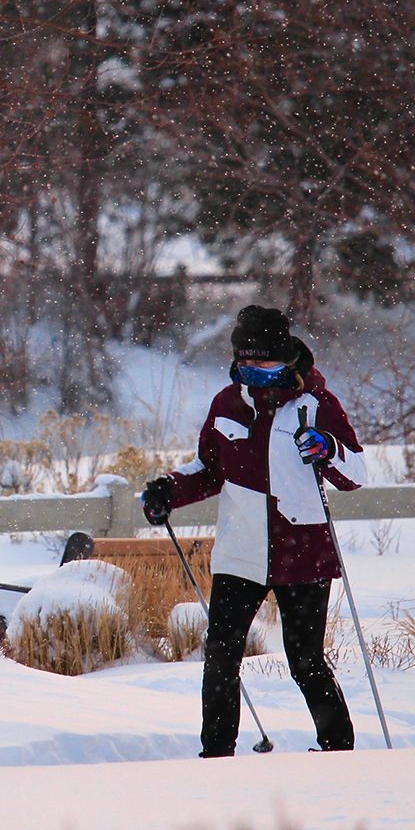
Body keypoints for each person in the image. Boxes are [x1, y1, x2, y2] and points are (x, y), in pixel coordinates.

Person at [142, 304, 366, 757]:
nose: (253, 371)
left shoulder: (317, 404)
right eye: (245, 362)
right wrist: (169, 489)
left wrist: (329, 450)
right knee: (221, 656)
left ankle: (338, 750)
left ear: (286, 358)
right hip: (241, 551)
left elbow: (356, 471)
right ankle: (217, 752)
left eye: (263, 362)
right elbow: (209, 468)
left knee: (305, 661)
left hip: (302, 552)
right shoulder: (228, 403)